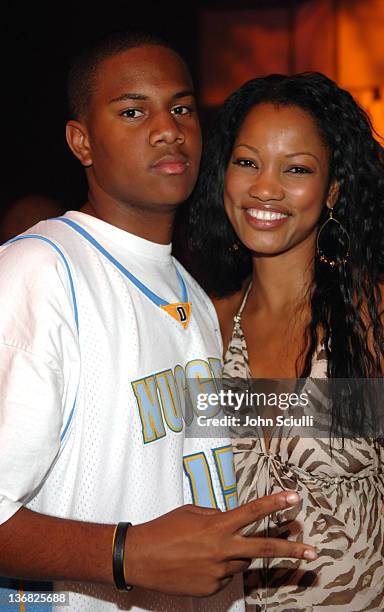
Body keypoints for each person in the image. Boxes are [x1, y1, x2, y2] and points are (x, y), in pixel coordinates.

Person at [0, 33, 322, 612]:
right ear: (82, 141)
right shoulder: (42, 271)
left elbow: (221, 415)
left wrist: (377, 453)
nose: (167, 128)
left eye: (180, 108)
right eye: (132, 110)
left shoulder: (194, 297)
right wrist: (125, 554)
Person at [188, 72, 384, 610]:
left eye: (296, 169)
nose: (265, 188)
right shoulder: (207, 323)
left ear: (334, 190)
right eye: (247, 162)